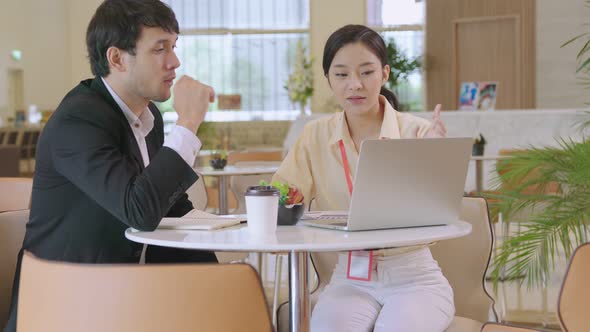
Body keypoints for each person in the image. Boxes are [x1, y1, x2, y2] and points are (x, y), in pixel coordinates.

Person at [4, 1, 217, 331]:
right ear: (117, 58)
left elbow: (172, 209)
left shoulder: (149, 118)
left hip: (128, 294)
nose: (175, 62)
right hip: (68, 305)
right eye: (160, 49)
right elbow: (140, 211)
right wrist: (188, 123)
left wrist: (240, 227)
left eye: (173, 47)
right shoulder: (78, 120)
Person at [273, 25, 453, 332]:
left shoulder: (418, 132)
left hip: (414, 275)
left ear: (384, 74)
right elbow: (283, 196)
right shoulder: (314, 135)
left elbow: (440, 212)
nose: (354, 84)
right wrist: (278, 197)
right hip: (350, 277)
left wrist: (434, 156)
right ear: (328, 79)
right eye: (341, 74)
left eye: (366, 72)